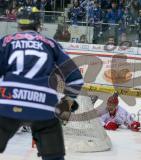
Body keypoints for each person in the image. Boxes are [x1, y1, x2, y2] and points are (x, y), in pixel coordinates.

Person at [0, 6, 83, 160]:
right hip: (44, 106)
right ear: (39, 24)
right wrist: (67, 103)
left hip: (9, 102)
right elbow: (76, 78)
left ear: (18, 23)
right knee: (54, 157)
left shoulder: (5, 42)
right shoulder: (51, 44)